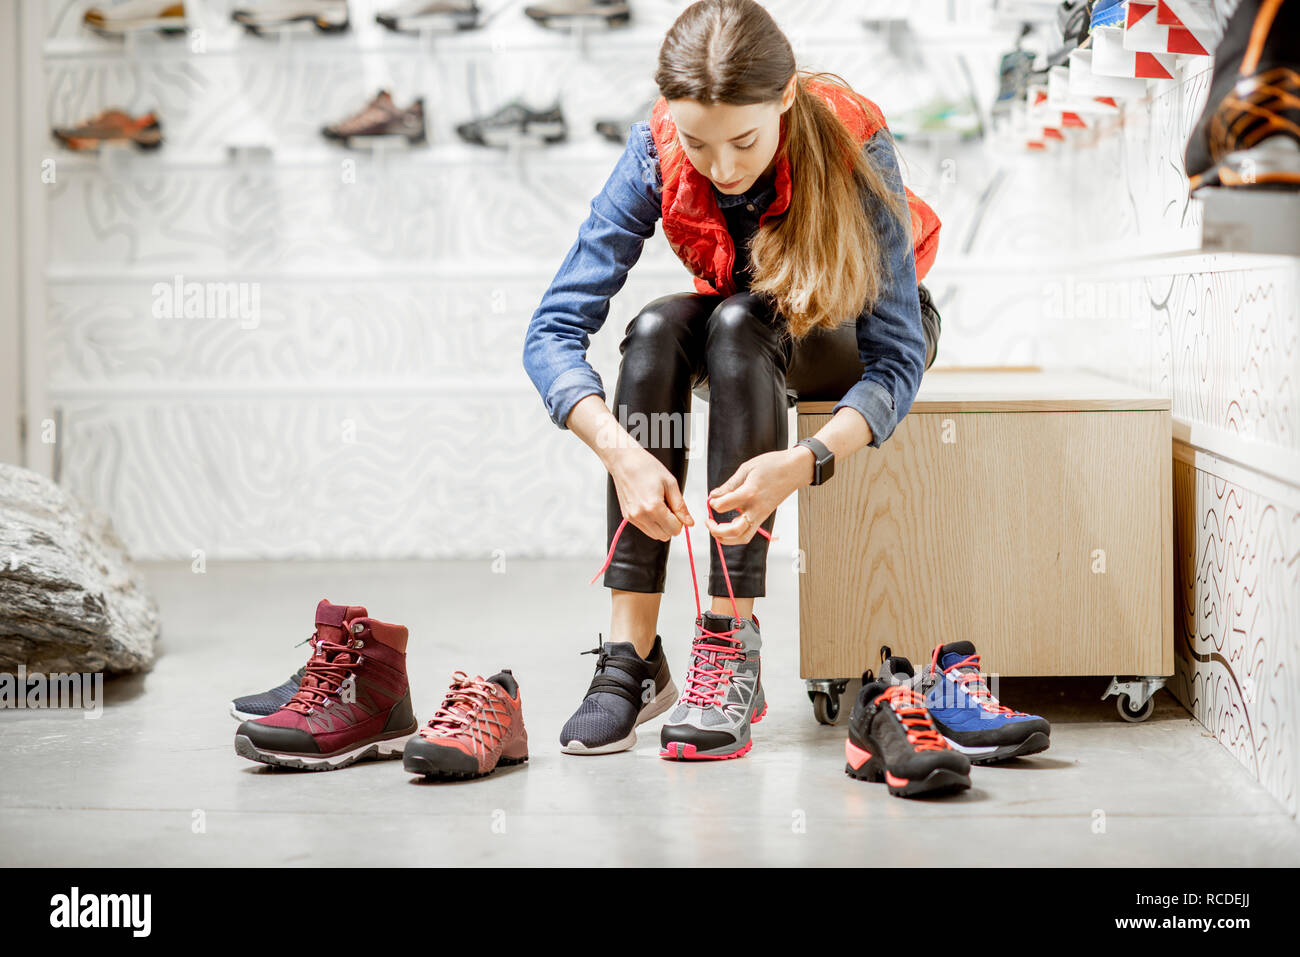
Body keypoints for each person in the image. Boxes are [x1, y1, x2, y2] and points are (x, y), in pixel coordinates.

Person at [522, 0, 942, 761]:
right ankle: (631, 655)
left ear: (784, 98)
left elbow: (897, 356)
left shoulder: (851, 136)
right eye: (697, 142)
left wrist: (806, 460)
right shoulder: (655, 147)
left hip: (851, 331)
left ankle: (727, 641)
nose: (721, 168)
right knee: (654, 329)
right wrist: (621, 453)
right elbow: (551, 331)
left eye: (743, 141)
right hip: (742, 331)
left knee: (740, 322)